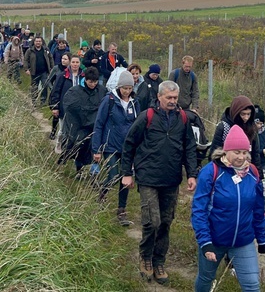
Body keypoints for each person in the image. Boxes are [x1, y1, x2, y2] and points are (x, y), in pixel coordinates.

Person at [121, 80, 197, 285]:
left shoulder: (182, 119)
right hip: (148, 178)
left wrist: (192, 174)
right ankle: (145, 258)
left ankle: (159, 261)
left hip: (171, 179)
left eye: (175, 98)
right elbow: (129, 144)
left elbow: (189, 147)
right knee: (151, 221)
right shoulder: (147, 116)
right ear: (160, 97)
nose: (173, 101)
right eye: (169, 98)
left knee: (165, 222)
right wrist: (126, 173)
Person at [192, 125, 265, 292]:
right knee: (206, 278)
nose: (242, 157)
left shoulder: (253, 172)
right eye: (237, 152)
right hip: (214, 240)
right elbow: (199, 210)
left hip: (243, 240)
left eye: (244, 152)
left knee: (252, 285)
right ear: (226, 151)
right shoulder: (211, 171)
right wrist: (205, 242)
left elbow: (258, 208)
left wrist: (261, 237)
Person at [92, 71, 140, 225]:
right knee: (113, 175)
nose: (127, 91)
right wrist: (96, 149)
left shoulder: (135, 103)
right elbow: (99, 124)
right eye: (124, 88)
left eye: (129, 88)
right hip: (110, 145)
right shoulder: (109, 101)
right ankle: (102, 193)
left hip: (127, 148)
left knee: (125, 178)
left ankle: (121, 209)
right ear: (119, 87)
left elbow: (137, 126)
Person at [61, 67, 107, 176]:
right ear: (85, 80)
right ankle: (79, 168)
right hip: (79, 127)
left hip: (95, 127)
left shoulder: (102, 91)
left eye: (95, 82)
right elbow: (70, 107)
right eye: (90, 82)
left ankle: (94, 172)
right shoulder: (75, 91)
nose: (93, 84)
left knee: (94, 147)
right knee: (79, 146)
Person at [209, 95, 263, 179]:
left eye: (249, 114)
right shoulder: (223, 127)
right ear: (236, 112)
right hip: (226, 172)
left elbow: (256, 155)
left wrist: (259, 178)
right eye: (243, 114)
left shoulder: (252, 128)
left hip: (246, 172)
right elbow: (214, 154)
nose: (246, 118)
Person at [50, 55, 84, 154]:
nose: (75, 64)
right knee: (63, 129)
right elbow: (56, 91)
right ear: (70, 63)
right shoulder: (63, 75)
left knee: (75, 129)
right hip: (64, 106)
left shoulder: (83, 76)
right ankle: (59, 143)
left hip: (78, 107)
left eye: (77, 62)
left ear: (80, 63)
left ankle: (71, 149)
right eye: (73, 62)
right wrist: (55, 107)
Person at [47, 52, 72, 139]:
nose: (63, 61)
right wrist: (53, 88)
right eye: (62, 58)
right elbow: (49, 80)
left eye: (65, 59)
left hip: (65, 96)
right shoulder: (56, 68)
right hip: (56, 94)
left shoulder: (72, 72)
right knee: (56, 115)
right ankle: (53, 131)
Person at [24, 36, 54, 106]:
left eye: (39, 41)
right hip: (34, 72)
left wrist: (52, 67)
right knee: (34, 87)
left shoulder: (46, 50)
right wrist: (26, 69)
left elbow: (51, 58)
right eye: (36, 41)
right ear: (34, 42)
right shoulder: (30, 50)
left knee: (44, 86)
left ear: (42, 42)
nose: (38, 42)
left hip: (44, 72)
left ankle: (42, 102)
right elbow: (25, 60)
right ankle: (34, 101)